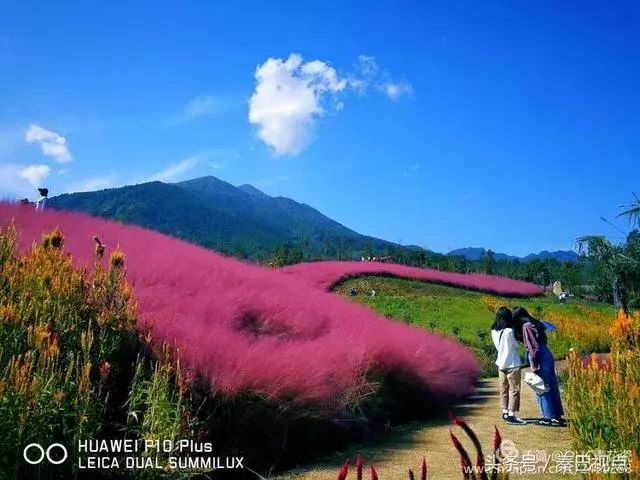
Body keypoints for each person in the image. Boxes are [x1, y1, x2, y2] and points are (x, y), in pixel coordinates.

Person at [512, 306, 565, 426]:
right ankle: (556, 415)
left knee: (541, 387)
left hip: (539, 356)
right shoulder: (536, 324)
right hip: (546, 354)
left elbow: (533, 347)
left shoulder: (526, 326)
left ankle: (547, 417)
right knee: (552, 385)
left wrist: (534, 364)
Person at [491, 307, 526, 425]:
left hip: (501, 364)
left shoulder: (494, 331)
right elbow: (515, 345)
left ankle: (504, 412)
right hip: (512, 363)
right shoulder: (509, 332)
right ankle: (512, 415)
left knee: (503, 389)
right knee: (514, 389)